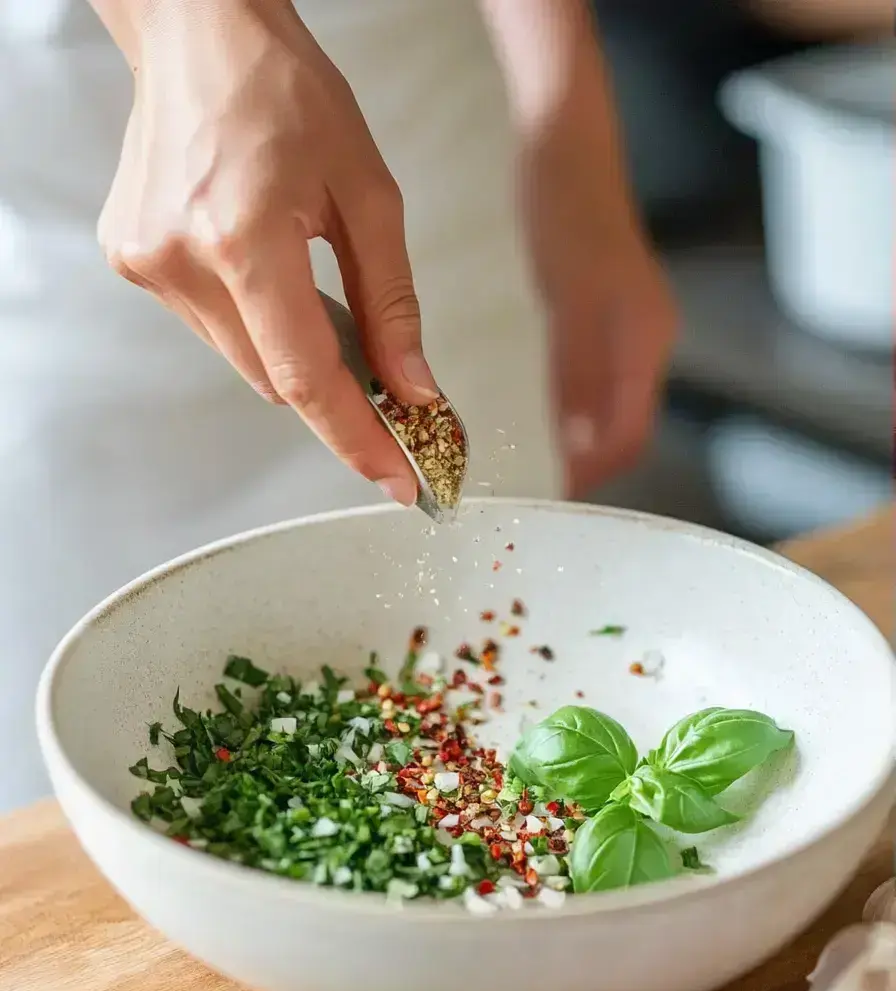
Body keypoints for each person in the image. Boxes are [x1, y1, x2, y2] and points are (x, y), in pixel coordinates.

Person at [1, 0, 677, 810]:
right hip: (73, 256)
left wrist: (572, 138)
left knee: (506, 715)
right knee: (99, 790)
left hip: (431, 168)